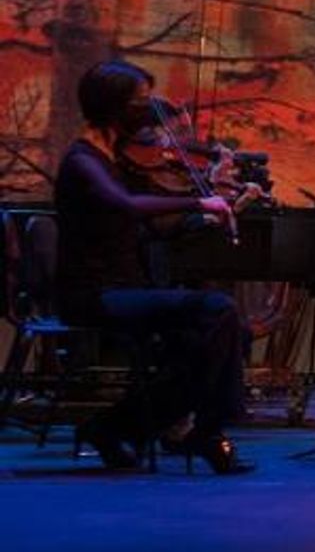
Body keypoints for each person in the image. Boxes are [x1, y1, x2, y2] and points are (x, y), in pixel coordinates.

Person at [53, 59, 250, 473]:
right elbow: (126, 207)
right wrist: (197, 200)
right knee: (219, 311)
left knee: (226, 332)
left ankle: (114, 426)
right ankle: (205, 433)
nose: (150, 111)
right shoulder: (83, 161)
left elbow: (154, 227)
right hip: (93, 294)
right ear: (113, 106)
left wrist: (205, 215)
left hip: (128, 287)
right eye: (141, 102)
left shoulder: (119, 158)